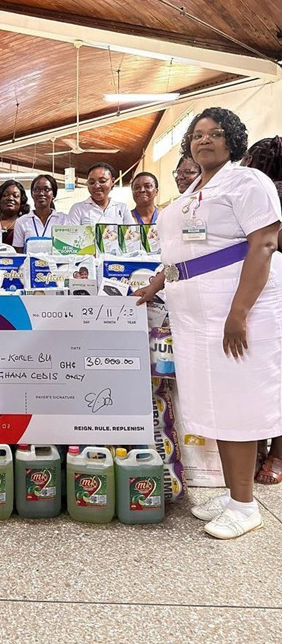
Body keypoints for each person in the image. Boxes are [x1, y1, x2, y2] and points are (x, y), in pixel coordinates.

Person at [135, 107, 282, 539]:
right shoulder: (193, 189)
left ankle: (245, 505)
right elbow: (188, 253)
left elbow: (265, 243)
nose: (205, 140)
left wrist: (239, 313)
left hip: (233, 309)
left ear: (233, 140)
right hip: (195, 312)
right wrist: (156, 283)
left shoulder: (248, 182)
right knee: (214, 403)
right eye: (198, 135)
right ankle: (233, 493)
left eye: (216, 133)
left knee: (236, 403)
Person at [242, 134, 282, 485]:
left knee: (271, 376)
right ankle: (262, 448)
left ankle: (275, 454)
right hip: (264, 293)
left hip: (271, 290)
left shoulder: (269, 195)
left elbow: (265, 247)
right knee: (266, 375)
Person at [12, 175, 68, 253]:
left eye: (46, 189)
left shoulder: (64, 220)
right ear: (32, 194)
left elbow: (68, 250)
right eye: (36, 189)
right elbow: (18, 253)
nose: (41, 193)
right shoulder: (21, 221)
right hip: (29, 265)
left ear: (54, 194)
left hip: (56, 265)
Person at [68, 162, 134, 225]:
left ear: (112, 181)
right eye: (91, 182)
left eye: (102, 181)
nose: (96, 186)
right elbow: (71, 235)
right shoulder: (78, 209)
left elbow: (132, 233)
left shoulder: (122, 208)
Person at [0, 179, 30, 246]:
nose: (10, 198)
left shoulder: (25, 224)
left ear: (21, 201)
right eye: (5, 195)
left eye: (15, 196)